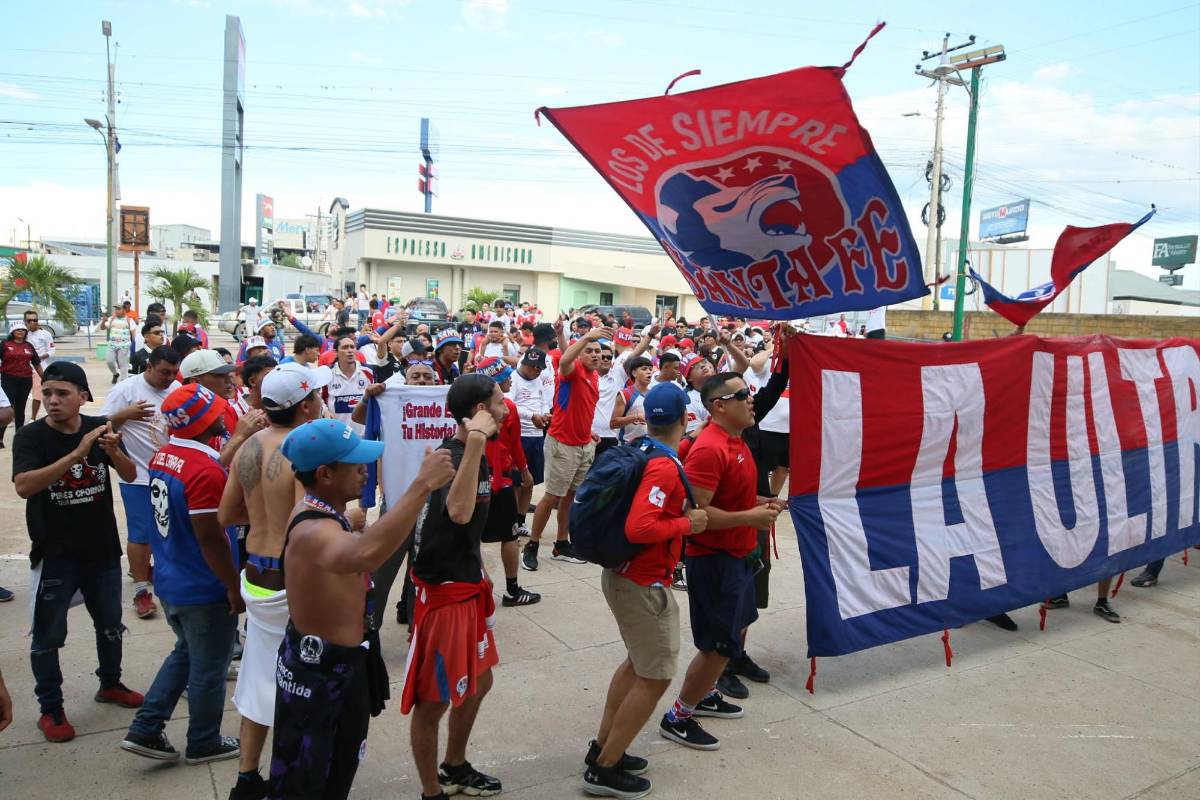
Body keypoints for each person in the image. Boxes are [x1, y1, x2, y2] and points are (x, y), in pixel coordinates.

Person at [266, 420, 451, 800]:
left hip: (339, 666)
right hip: (320, 678)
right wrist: (422, 486)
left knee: (336, 769)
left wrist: (346, 521)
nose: (365, 468)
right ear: (325, 473)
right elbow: (365, 555)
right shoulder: (314, 531)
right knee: (308, 784)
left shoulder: (322, 513)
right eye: (354, 463)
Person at [586, 383, 707, 799]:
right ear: (686, 419)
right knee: (655, 676)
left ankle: (604, 749)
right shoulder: (664, 466)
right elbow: (640, 527)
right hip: (641, 582)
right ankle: (605, 768)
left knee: (638, 665)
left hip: (628, 576)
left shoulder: (642, 449)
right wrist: (688, 524)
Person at [14, 361, 143, 743]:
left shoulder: (98, 427)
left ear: (83, 397)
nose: (52, 401)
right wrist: (77, 454)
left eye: (62, 394)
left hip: (102, 548)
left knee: (110, 625)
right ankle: (50, 708)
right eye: (48, 393)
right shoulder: (31, 438)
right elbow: (23, 486)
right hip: (56, 552)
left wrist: (114, 452)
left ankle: (110, 683)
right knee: (48, 636)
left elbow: (131, 475)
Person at [219, 363, 331, 800]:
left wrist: (263, 510)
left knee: (258, 676)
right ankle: (296, 779)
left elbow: (228, 516)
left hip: (256, 576)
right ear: (305, 406)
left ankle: (247, 779)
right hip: (292, 580)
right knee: (302, 682)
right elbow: (309, 528)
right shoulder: (305, 450)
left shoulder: (250, 446)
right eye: (317, 397)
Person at [659, 373, 784, 752]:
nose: (751, 399)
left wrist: (762, 503)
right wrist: (749, 518)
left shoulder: (738, 440)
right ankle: (678, 717)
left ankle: (706, 693)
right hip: (716, 560)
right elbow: (696, 515)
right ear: (719, 406)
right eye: (743, 394)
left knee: (734, 631)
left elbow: (733, 499)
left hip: (739, 554)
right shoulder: (710, 448)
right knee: (717, 646)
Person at [119, 384, 243, 765]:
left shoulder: (166, 455)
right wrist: (232, 586)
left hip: (174, 578)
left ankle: (146, 727)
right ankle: (203, 740)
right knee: (209, 666)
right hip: (201, 585)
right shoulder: (204, 470)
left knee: (186, 653)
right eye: (220, 411)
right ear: (211, 420)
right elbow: (211, 538)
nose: (226, 414)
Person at [402, 373, 506, 799]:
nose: (505, 407)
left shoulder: (469, 451)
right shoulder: (457, 453)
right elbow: (460, 513)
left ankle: (455, 766)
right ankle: (433, 791)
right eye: (498, 402)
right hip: (444, 595)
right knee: (434, 701)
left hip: (465, 585)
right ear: (480, 411)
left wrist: (479, 568)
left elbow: (460, 527)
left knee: (480, 682)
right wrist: (478, 441)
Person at [521, 325, 612, 571]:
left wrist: (587, 433)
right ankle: (532, 544)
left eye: (599, 352)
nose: (595, 355)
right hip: (562, 445)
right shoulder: (571, 371)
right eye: (590, 351)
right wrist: (586, 337)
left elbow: (581, 407)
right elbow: (566, 359)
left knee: (570, 497)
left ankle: (562, 544)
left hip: (583, 445)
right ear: (580, 353)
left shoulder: (593, 375)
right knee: (552, 497)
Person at [102, 345, 183, 621]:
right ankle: (140, 591)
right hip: (137, 476)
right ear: (149, 366)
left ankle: (164, 577)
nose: (170, 377)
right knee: (142, 534)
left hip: (172, 474)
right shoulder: (127, 390)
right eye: (164, 372)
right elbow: (98, 424)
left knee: (170, 530)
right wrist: (125, 415)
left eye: (174, 372)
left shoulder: (176, 391)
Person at [475, 357, 540, 607]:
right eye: (507, 376)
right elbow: (515, 444)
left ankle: (477, 587)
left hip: (476, 477)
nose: (511, 378)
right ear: (498, 380)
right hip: (499, 481)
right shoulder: (508, 407)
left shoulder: (470, 405)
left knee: (471, 538)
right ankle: (512, 590)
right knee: (510, 536)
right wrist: (524, 471)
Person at [180, 349, 267, 468]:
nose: (229, 379)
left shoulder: (228, 410)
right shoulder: (186, 418)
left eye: (228, 374)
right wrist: (239, 436)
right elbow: (205, 470)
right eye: (220, 375)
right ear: (195, 382)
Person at [507, 348, 551, 536]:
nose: (536, 370)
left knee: (530, 482)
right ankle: (510, 521)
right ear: (524, 363)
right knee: (516, 482)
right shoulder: (513, 379)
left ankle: (521, 519)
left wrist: (544, 414)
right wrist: (531, 415)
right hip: (520, 435)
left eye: (539, 367)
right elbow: (509, 405)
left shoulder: (539, 380)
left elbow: (543, 401)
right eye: (533, 367)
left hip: (537, 435)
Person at [0, 320, 44, 439]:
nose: (21, 332)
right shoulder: (4, 344)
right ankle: (0, 437)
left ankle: (19, 435)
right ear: (12, 332)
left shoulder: (28, 346)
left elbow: (37, 364)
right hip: (8, 378)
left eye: (23, 330)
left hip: (25, 379)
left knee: (20, 408)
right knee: (7, 407)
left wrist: (45, 378)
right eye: (18, 330)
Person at [325, 334, 374, 432]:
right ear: (336, 352)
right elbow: (320, 399)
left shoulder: (369, 372)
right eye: (345, 347)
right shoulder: (327, 374)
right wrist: (325, 411)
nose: (350, 350)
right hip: (338, 434)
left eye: (352, 347)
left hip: (363, 435)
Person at [610, 356, 654, 443]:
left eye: (650, 369)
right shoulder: (625, 394)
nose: (649, 372)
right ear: (634, 373)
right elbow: (613, 424)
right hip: (627, 447)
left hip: (648, 446)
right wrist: (636, 417)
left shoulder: (655, 394)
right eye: (644, 369)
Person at [24, 309, 54, 421]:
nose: (32, 322)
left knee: (37, 395)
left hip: (39, 368)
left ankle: (33, 418)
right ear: (25, 321)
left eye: (35, 320)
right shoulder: (23, 334)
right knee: (18, 395)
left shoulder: (45, 334)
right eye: (29, 320)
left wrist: (40, 357)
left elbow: (51, 350)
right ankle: (15, 417)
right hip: (23, 368)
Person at [102, 304, 135, 384]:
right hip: (112, 345)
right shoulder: (112, 319)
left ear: (124, 310)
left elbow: (133, 333)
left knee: (123, 364)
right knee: (109, 361)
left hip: (124, 345)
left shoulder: (129, 320)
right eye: (115, 309)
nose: (116, 311)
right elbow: (102, 328)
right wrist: (104, 321)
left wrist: (134, 345)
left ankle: (123, 382)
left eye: (119, 309)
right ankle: (115, 374)